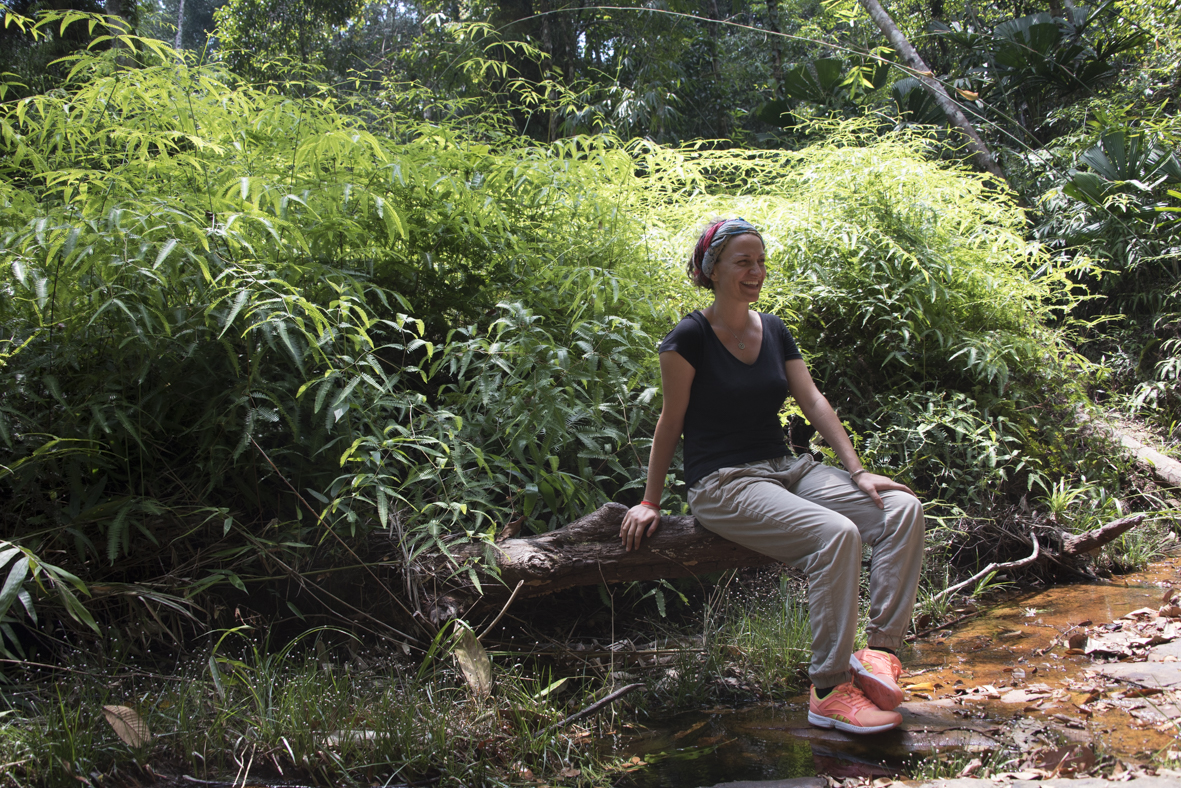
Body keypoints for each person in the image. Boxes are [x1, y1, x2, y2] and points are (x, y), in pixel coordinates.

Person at [619, 218, 925, 735]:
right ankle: (828, 691)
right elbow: (670, 422)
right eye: (743, 262)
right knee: (836, 534)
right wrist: (650, 501)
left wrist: (858, 471)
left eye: (760, 261)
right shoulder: (688, 338)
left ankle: (878, 654)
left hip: (786, 468)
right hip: (724, 483)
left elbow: (813, 401)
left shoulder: (774, 329)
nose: (756, 272)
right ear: (712, 269)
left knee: (901, 508)